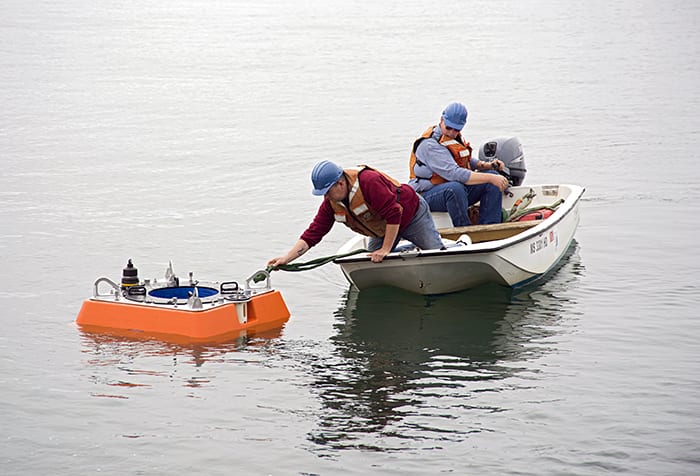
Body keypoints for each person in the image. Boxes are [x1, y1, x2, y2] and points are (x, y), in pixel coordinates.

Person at [268, 160, 444, 266]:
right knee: (374, 259)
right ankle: (411, 248)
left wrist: (385, 249)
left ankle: (443, 245)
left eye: (328, 191)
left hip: (411, 215)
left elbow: (394, 213)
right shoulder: (331, 203)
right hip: (382, 229)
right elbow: (313, 233)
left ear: (341, 184)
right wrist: (287, 258)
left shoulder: (369, 182)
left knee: (437, 255)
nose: (326, 197)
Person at [408, 102, 510, 226]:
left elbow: (463, 160)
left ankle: (490, 227)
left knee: (490, 180)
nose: (451, 133)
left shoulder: (453, 138)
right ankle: (464, 231)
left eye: (456, 130)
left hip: (453, 188)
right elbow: (454, 173)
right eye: (449, 128)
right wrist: (491, 178)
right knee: (455, 188)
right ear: (441, 120)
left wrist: (486, 166)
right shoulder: (429, 145)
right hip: (427, 195)